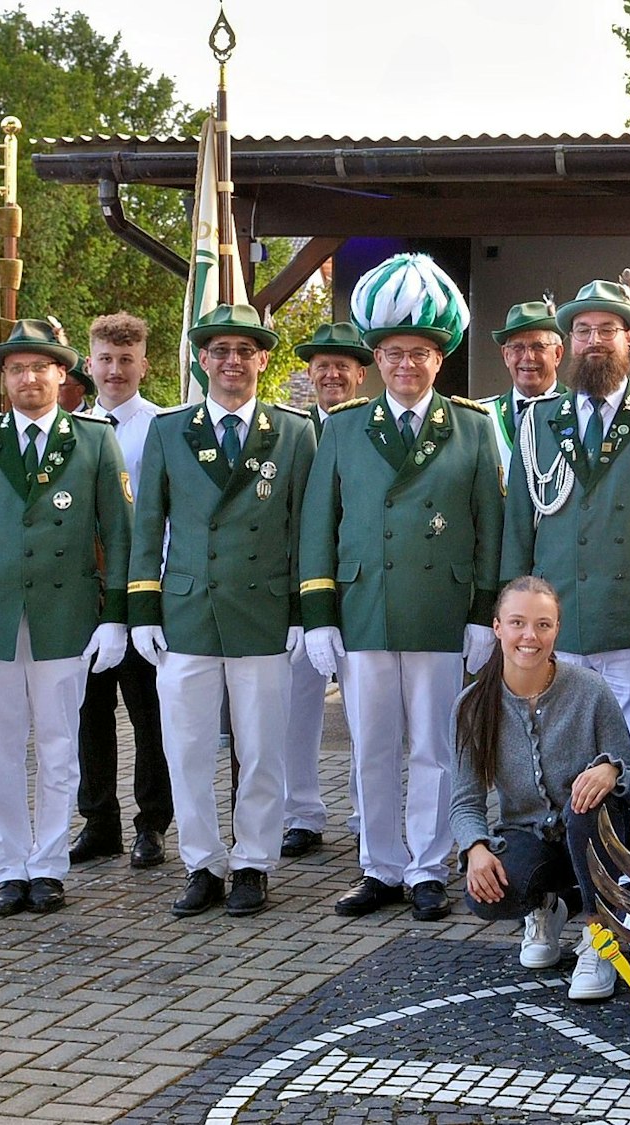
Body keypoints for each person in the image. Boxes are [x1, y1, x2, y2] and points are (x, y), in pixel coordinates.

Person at [302, 253, 503, 922]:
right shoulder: (344, 426)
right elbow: (318, 524)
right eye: (393, 352)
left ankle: (428, 866)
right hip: (364, 609)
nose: (406, 364)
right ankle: (380, 866)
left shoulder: (472, 428)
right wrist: (319, 613)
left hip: (440, 612)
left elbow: (489, 529)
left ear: (438, 359)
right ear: (376, 358)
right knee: (373, 746)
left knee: (435, 748)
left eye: (419, 352)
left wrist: (483, 614)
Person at [0, 320, 132, 916]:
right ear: (5, 379)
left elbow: (117, 534)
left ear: (62, 374)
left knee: (58, 745)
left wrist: (115, 615)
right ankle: (6, 867)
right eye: (16, 368)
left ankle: (47, 865)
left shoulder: (94, 440)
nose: (28, 377)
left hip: (66, 615)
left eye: (40, 366)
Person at [128, 303, 316, 918]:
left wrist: (299, 610)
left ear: (263, 360)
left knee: (261, 748)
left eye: (245, 351)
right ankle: (202, 863)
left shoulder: (293, 432)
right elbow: (147, 524)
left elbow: (302, 529)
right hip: (188, 612)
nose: (232, 361)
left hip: (261, 611)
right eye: (220, 351)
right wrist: (144, 610)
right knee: (185, 747)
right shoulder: (169, 429)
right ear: (202, 360)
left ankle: (254, 864)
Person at [500, 272, 630, 769]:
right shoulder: (540, 421)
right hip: (556, 619)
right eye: (583, 331)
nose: (593, 341)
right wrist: (510, 613)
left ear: (628, 338)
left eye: (606, 330)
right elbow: (520, 526)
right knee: (556, 746)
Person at [450, 577, 630, 1001]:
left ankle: (602, 936)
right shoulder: (472, 704)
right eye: (517, 622)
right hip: (529, 835)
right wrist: (475, 849)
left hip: (593, 835)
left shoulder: (589, 690)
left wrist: (611, 771)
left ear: (556, 630)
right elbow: (464, 802)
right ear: (497, 627)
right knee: (486, 896)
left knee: (587, 805)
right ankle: (547, 907)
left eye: (543, 624)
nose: (530, 636)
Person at [73, 312, 172, 869]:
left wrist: (151, 593)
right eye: (106, 360)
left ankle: (152, 824)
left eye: (126, 360)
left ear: (143, 365)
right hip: (86, 594)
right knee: (89, 713)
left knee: (149, 715)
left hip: (141, 592)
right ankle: (98, 819)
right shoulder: (73, 430)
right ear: (89, 364)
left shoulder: (163, 427)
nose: (115, 371)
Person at [279, 321, 375, 860]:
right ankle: (302, 813)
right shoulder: (290, 431)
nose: (332, 373)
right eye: (322, 366)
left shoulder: (369, 428)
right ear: (310, 375)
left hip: (362, 589)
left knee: (367, 712)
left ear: (361, 374)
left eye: (343, 365)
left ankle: (367, 811)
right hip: (298, 594)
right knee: (297, 710)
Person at [483, 301, 566, 488]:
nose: (528, 357)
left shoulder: (581, 411)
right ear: (505, 355)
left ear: (558, 354)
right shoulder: (483, 418)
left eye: (538, 347)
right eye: (518, 348)